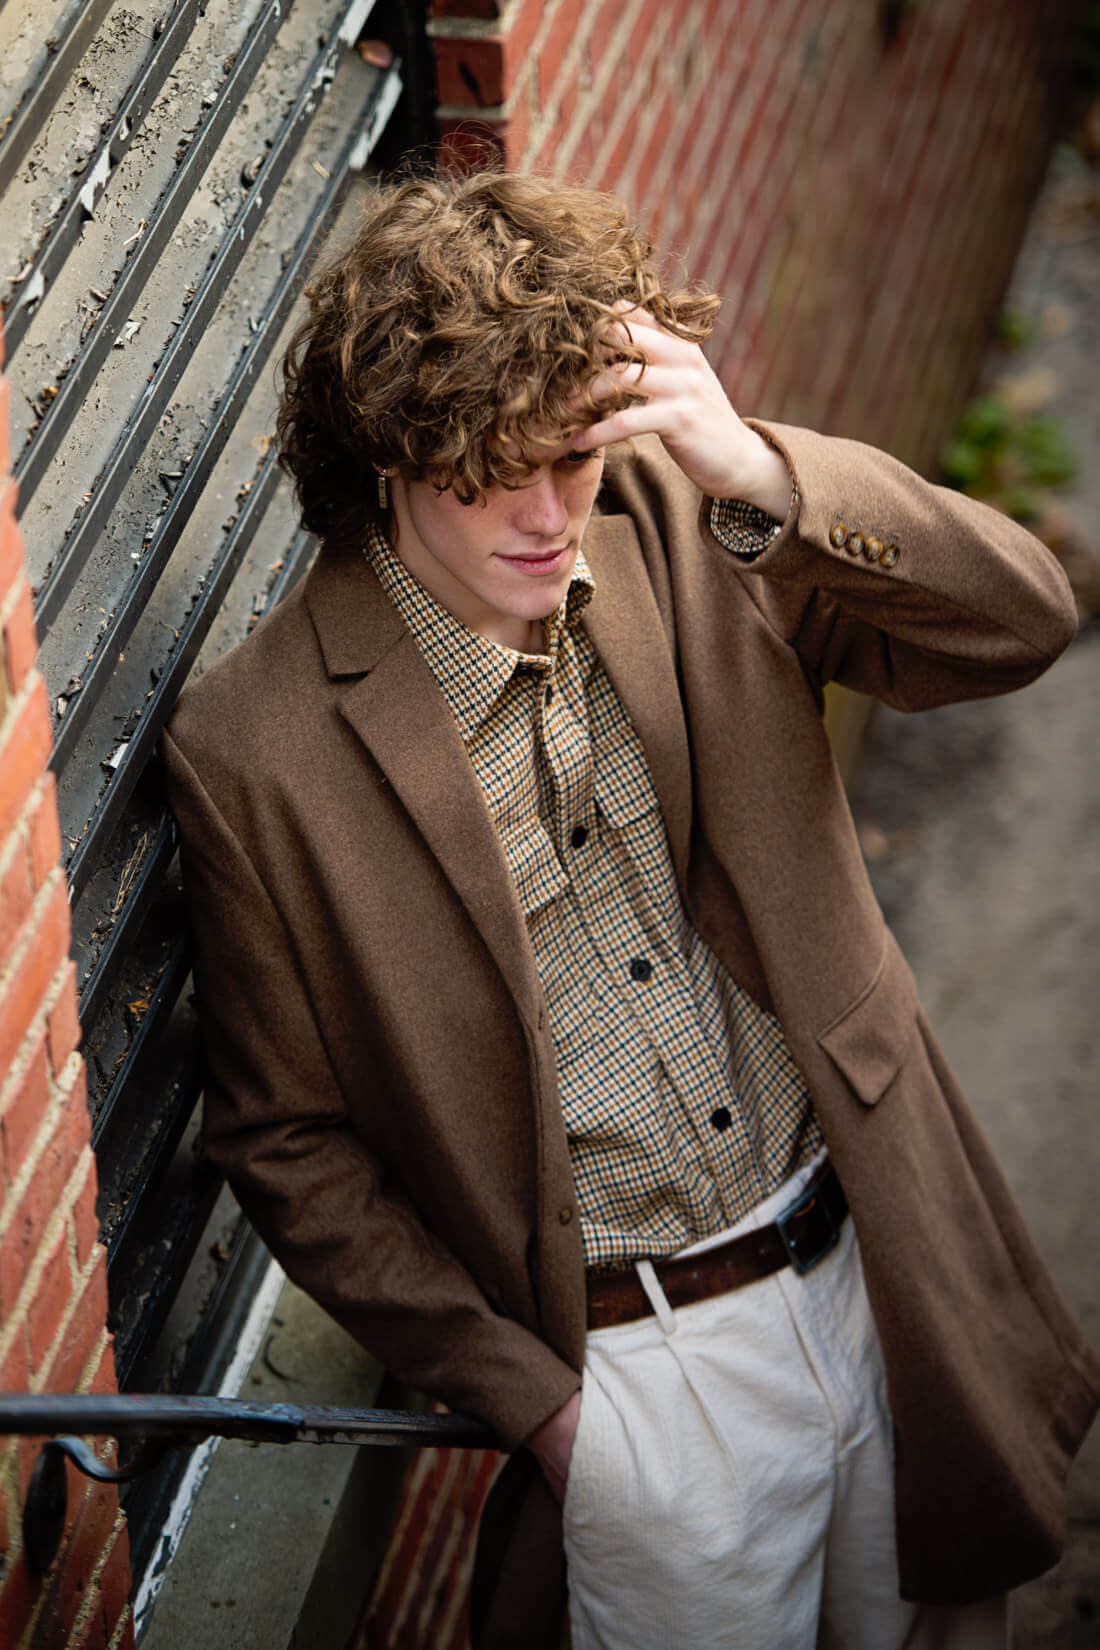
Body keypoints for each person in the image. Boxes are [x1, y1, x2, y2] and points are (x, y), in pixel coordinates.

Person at [161, 171, 1098, 1650]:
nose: (549, 517)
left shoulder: (691, 518)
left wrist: (762, 472)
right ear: (388, 456)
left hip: (882, 1263)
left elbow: (1023, 622)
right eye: (490, 475)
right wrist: (544, 1412)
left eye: (573, 456)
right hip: (640, 1386)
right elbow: (286, 1142)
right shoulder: (256, 748)